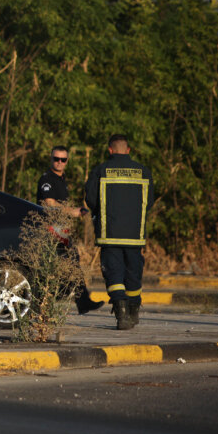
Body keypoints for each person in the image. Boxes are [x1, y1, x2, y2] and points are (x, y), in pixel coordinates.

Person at [84, 134, 153, 330]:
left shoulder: (101, 170)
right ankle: (133, 309)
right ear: (128, 150)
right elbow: (149, 202)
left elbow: (90, 199)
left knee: (114, 274)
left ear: (110, 150)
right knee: (133, 273)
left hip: (110, 234)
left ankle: (121, 314)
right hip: (135, 235)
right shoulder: (143, 171)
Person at [36, 146, 104, 315]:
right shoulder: (47, 179)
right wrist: (71, 211)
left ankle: (82, 301)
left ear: (67, 161)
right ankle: (78, 301)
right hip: (51, 229)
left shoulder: (61, 178)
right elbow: (49, 203)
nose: (59, 162)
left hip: (60, 229)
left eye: (63, 160)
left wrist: (77, 211)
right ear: (51, 159)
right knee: (63, 264)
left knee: (71, 262)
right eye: (56, 159)